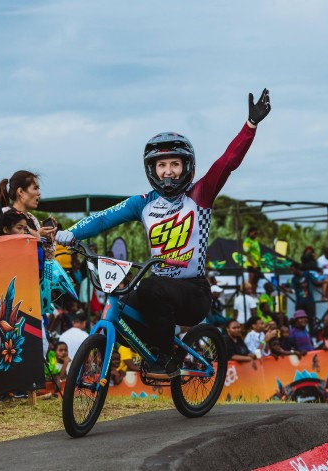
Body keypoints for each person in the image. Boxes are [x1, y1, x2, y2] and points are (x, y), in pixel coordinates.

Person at [55, 89, 271, 379]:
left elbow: (226, 163)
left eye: (174, 164)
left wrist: (250, 126)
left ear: (186, 167)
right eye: (161, 165)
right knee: (121, 302)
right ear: (152, 169)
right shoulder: (143, 203)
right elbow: (104, 218)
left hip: (193, 291)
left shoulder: (200, 194)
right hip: (159, 289)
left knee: (148, 288)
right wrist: (71, 232)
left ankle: (165, 358)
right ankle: (144, 353)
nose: (168, 171)